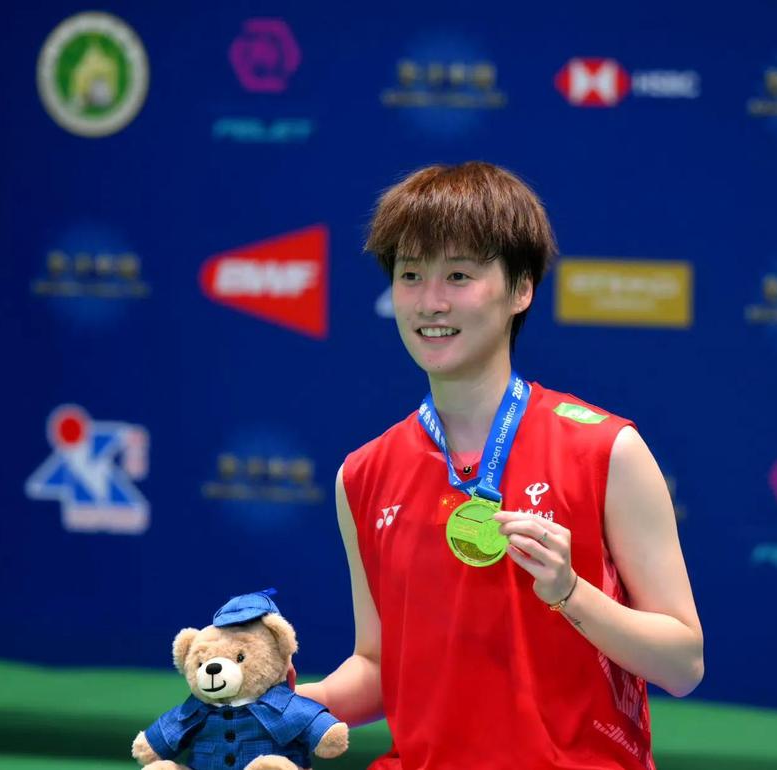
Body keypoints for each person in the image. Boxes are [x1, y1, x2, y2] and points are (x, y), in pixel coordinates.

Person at [296, 162, 703, 769]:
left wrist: (569, 592)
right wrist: (283, 705)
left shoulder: (607, 449)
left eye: (459, 275)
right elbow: (381, 667)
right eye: (411, 275)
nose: (431, 302)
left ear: (521, 289)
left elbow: (683, 664)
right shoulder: (361, 474)